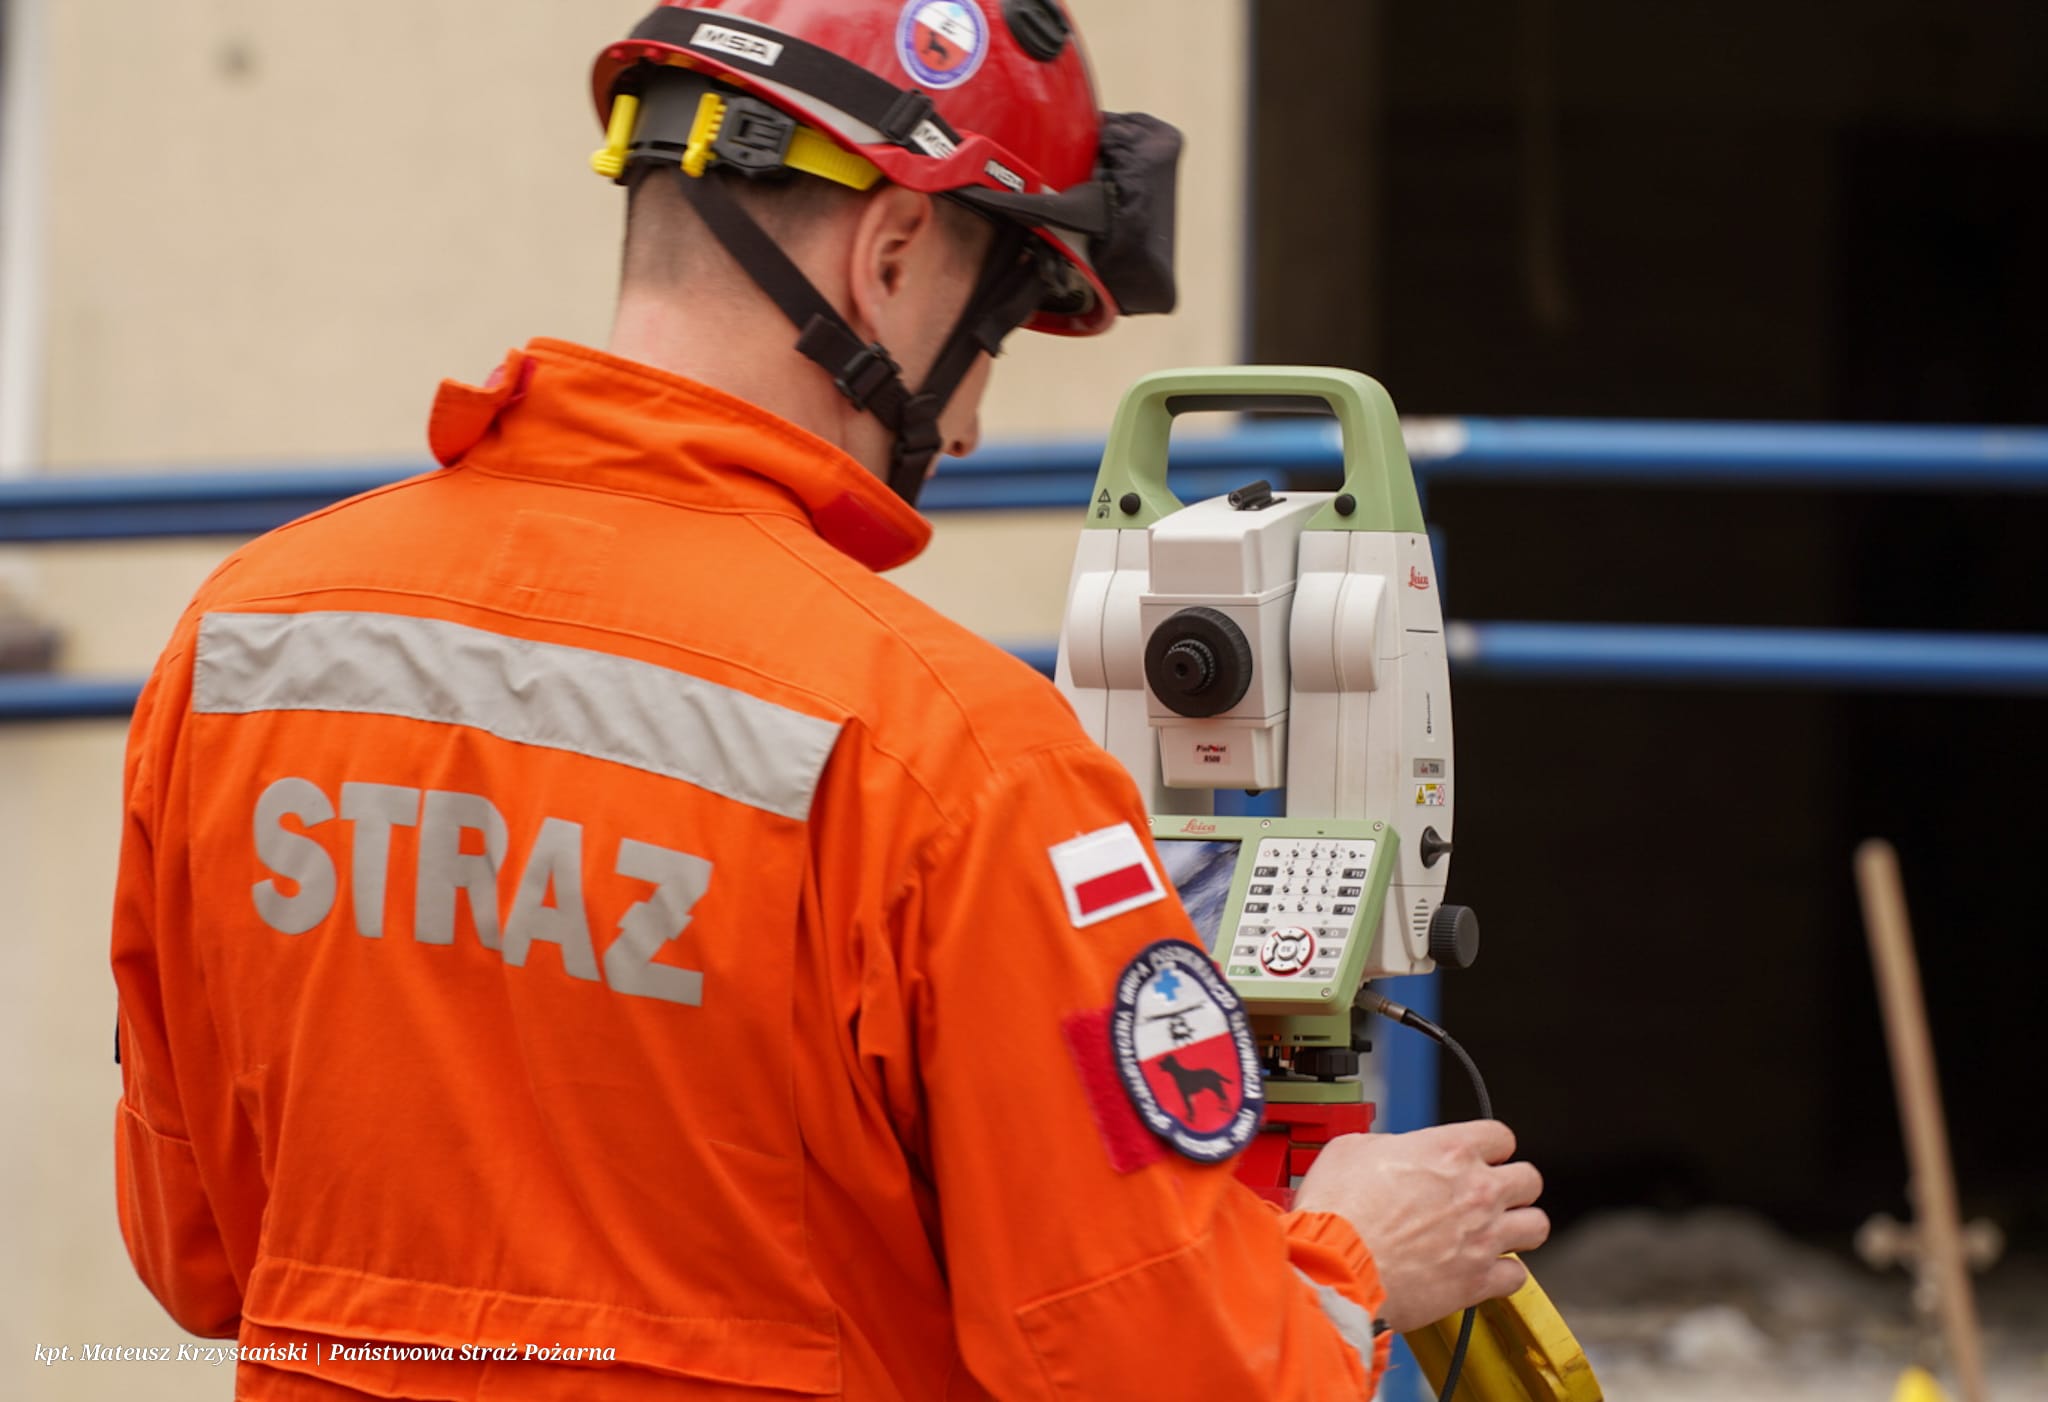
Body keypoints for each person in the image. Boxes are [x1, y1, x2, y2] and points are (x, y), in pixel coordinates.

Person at [109, 3, 1547, 1397]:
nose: (968, 423)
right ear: (894, 253)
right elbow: (1169, 1370)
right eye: (995, 335)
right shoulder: (960, 757)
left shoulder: (245, 642)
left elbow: (195, 1248)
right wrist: (1355, 1257)